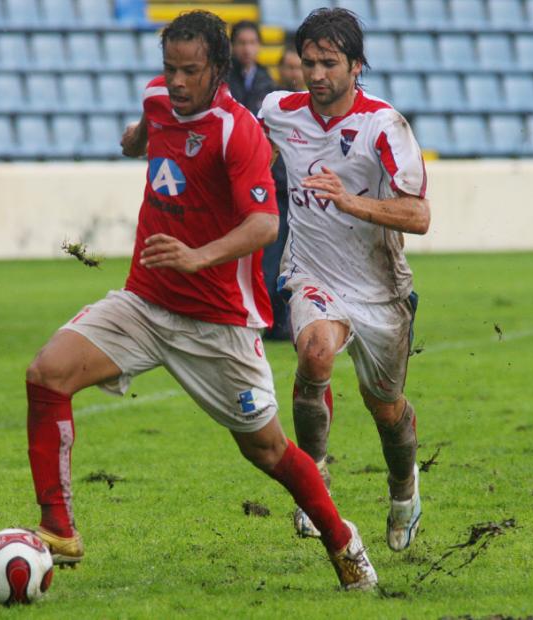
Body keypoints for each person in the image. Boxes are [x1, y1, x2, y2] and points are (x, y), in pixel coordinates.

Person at [24, 10, 377, 591]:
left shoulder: (237, 132)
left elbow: (265, 224)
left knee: (268, 451)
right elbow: (149, 126)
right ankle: (59, 530)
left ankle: (342, 540)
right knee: (46, 374)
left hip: (217, 323)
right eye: (170, 68)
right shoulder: (158, 98)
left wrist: (196, 256)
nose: (177, 81)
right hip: (144, 302)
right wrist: (137, 140)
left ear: (217, 69)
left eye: (190, 71)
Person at [257, 8, 431, 552]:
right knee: (314, 354)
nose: (315, 74)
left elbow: (419, 215)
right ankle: (314, 483)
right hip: (312, 273)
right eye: (308, 62)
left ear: (357, 65)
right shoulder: (278, 112)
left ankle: (403, 490)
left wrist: (349, 200)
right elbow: (247, 157)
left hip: (379, 288)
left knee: (387, 410)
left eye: (328, 63)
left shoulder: (384, 125)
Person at [261, 40, 306, 341]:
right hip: (277, 195)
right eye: (288, 67)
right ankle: (273, 320)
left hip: (304, 199)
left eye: (297, 67)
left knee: (300, 262)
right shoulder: (274, 109)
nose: (293, 73)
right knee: (272, 261)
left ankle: (292, 321)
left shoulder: (315, 109)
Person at [224, 20, 276, 115]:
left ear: (259, 45)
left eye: (252, 42)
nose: (247, 49)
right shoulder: (222, 78)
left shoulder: (267, 81)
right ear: (232, 45)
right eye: (242, 43)